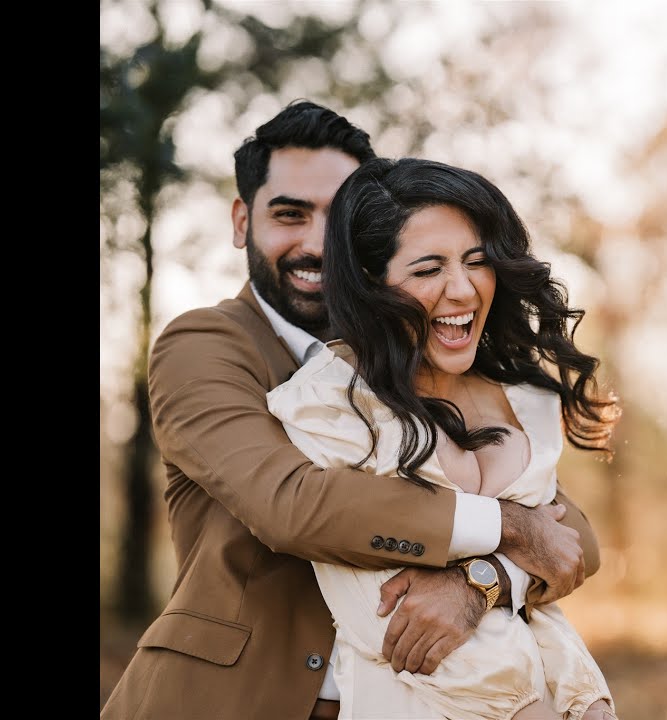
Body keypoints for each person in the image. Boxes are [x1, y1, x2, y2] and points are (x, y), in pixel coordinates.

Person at [101, 100, 604, 720]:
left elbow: (569, 531)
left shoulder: (423, 349)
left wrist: (483, 584)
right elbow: (290, 504)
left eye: (334, 217)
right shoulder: (204, 345)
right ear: (241, 221)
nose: (315, 242)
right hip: (239, 699)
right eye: (289, 214)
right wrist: (510, 529)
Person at [266, 157, 622, 719]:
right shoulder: (331, 406)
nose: (462, 289)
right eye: (428, 269)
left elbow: (556, 564)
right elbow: (391, 621)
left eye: (477, 261)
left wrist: (586, 699)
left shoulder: (525, 397)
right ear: (370, 282)